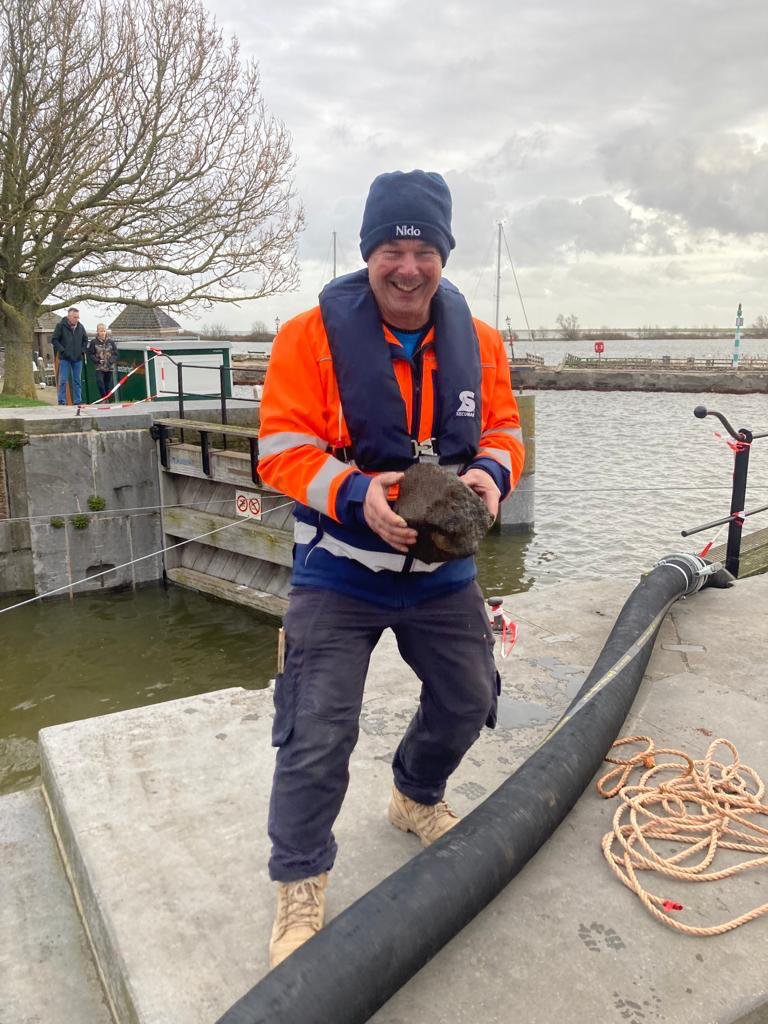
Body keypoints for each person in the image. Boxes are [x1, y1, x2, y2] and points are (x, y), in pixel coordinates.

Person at [258, 169, 525, 968]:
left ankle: (414, 794)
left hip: (441, 574)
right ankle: (300, 881)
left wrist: (491, 476)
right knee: (317, 731)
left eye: (423, 251)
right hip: (339, 570)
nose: (407, 268)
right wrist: (351, 492)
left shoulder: (478, 342)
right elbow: (278, 450)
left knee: (469, 697)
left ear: (442, 258)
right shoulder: (307, 337)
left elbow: (504, 428)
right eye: (391, 250)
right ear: (369, 253)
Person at [51, 307, 88, 405]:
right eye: (75, 317)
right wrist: (62, 350)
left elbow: (85, 340)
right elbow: (54, 340)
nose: (77, 319)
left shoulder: (80, 327)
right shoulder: (60, 326)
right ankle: (62, 401)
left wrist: (82, 350)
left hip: (77, 359)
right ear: (69, 317)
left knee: (77, 381)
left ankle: (77, 401)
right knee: (63, 380)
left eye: (78, 317)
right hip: (65, 358)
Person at [87, 323, 118, 400]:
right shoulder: (94, 342)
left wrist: (111, 361)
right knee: (100, 382)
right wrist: (97, 360)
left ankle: (107, 399)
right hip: (99, 367)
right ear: (97, 331)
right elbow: (91, 354)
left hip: (109, 367)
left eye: (104, 331)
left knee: (107, 384)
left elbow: (115, 354)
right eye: (101, 331)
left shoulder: (111, 342)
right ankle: (104, 398)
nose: (103, 333)